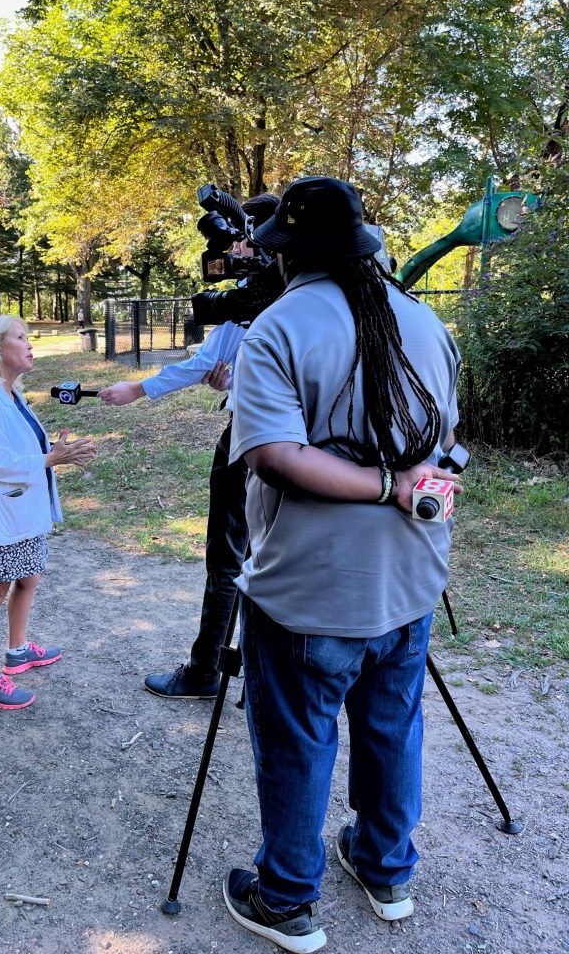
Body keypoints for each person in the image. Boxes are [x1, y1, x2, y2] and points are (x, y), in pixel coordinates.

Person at [222, 177, 462, 953]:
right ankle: (386, 866)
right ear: (362, 246)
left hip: (308, 590)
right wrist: (420, 480)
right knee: (393, 725)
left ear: (286, 255)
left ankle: (288, 898)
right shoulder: (424, 320)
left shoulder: (279, 326)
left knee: (298, 739)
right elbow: (452, 445)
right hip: (411, 579)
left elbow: (273, 457)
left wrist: (388, 483)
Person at [98, 193, 280, 699]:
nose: (234, 251)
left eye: (243, 239)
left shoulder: (260, 296)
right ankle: (262, 677)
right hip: (309, 453)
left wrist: (137, 389)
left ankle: (206, 673)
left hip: (251, 444)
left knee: (229, 558)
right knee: (273, 556)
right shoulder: (316, 295)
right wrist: (235, 380)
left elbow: (204, 362)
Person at [0, 315, 96, 711]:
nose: (30, 345)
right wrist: (50, 457)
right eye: (21, 338)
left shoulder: (12, 394)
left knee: (29, 577)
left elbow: (29, 449)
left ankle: (18, 650)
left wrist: (60, 451)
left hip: (21, 511)